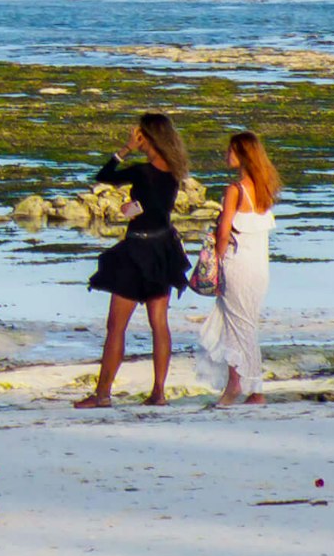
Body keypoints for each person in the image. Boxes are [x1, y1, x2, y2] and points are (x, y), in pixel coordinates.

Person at [82, 111, 194, 407]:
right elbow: (154, 208)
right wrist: (133, 208)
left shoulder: (142, 172)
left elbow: (104, 176)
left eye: (142, 134)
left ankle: (103, 394)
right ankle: (159, 391)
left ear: (150, 137)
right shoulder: (173, 172)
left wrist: (126, 148)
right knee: (159, 323)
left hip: (137, 251)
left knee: (116, 326)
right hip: (162, 249)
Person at [209, 130, 282, 406]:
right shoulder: (264, 189)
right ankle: (245, 385)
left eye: (231, 151)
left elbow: (225, 228)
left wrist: (215, 257)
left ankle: (244, 386)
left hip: (238, 265)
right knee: (245, 324)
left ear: (242, 155)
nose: (227, 155)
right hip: (259, 267)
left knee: (237, 326)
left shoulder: (235, 189)